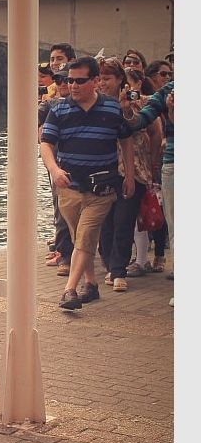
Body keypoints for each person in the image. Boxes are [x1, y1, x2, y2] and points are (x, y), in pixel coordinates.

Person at [40, 56, 135, 310]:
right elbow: (46, 143)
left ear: (95, 81)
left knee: (86, 234)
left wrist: (129, 174)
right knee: (80, 236)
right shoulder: (58, 109)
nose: (73, 85)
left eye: (80, 81)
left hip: (102, 187)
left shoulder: (112, 109)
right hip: (69, 186)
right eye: (69, 80)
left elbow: (126, 140)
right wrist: (54, 169)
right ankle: (91, 284)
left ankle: (69, 290)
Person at [96, 57, 153, 292]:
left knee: (123, 221)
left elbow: (142, 126)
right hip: (104, 170)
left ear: (120, 79)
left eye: (107, 78)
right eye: (98, 78)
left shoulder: (137, 101)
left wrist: (125, 108)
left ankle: (118, 270)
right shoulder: (94, 103)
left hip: (133, 170)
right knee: (104, 222)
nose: (102, 83)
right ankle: (110, 264)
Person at [121, 79, 174, 304]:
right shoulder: (170, 89)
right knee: (177, 227)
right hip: (174, 163)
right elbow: (143, 119)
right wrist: (127, 111)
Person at [39, 70, 74, 274]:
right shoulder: (52, 104)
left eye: (67, 80)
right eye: (59, 80)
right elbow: (28, 119)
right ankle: (65, 255)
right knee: (61, 210)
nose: (63, 83)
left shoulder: (95, 105)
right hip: (58, 165)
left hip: (87, 166)